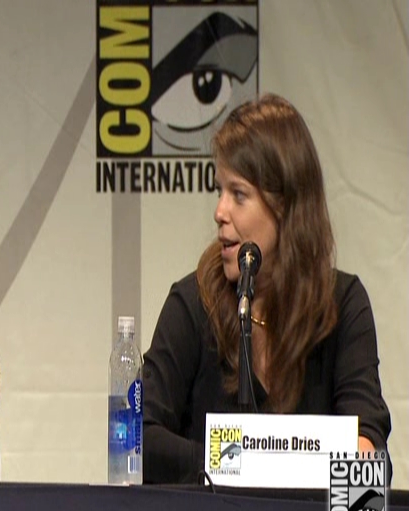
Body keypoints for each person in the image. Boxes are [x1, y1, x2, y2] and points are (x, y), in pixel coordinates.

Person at [143, 94, 392, 484]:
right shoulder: (193, 303)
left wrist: (271, 462)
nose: (220, 212)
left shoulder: (342, 305)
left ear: (286, 207)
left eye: (239, 195)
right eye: (220, 191)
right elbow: (139, 438)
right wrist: (234, 461)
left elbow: (368, 449)